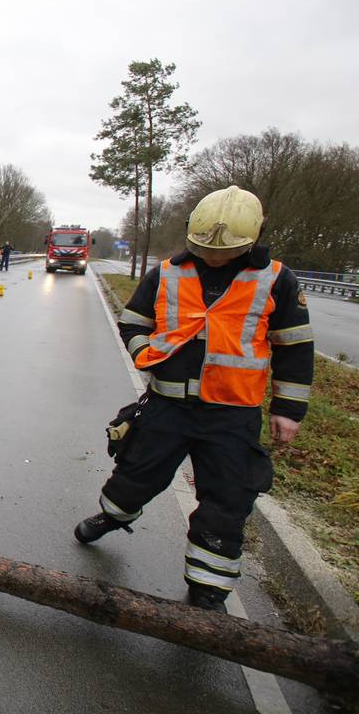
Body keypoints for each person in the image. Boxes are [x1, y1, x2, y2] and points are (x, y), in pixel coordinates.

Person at [73, 186, 314, 613]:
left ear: (253, 239)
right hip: (168, 407)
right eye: (205, 250)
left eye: (224, 252)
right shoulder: (166, 272)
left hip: (232, 416)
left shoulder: (276, 278)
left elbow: (295, 348)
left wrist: (289, 410)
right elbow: (133, 322)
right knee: (134, 475)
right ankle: (113, 516)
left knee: (226, 500)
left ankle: (207, 589)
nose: (214, 258)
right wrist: (143, 355)